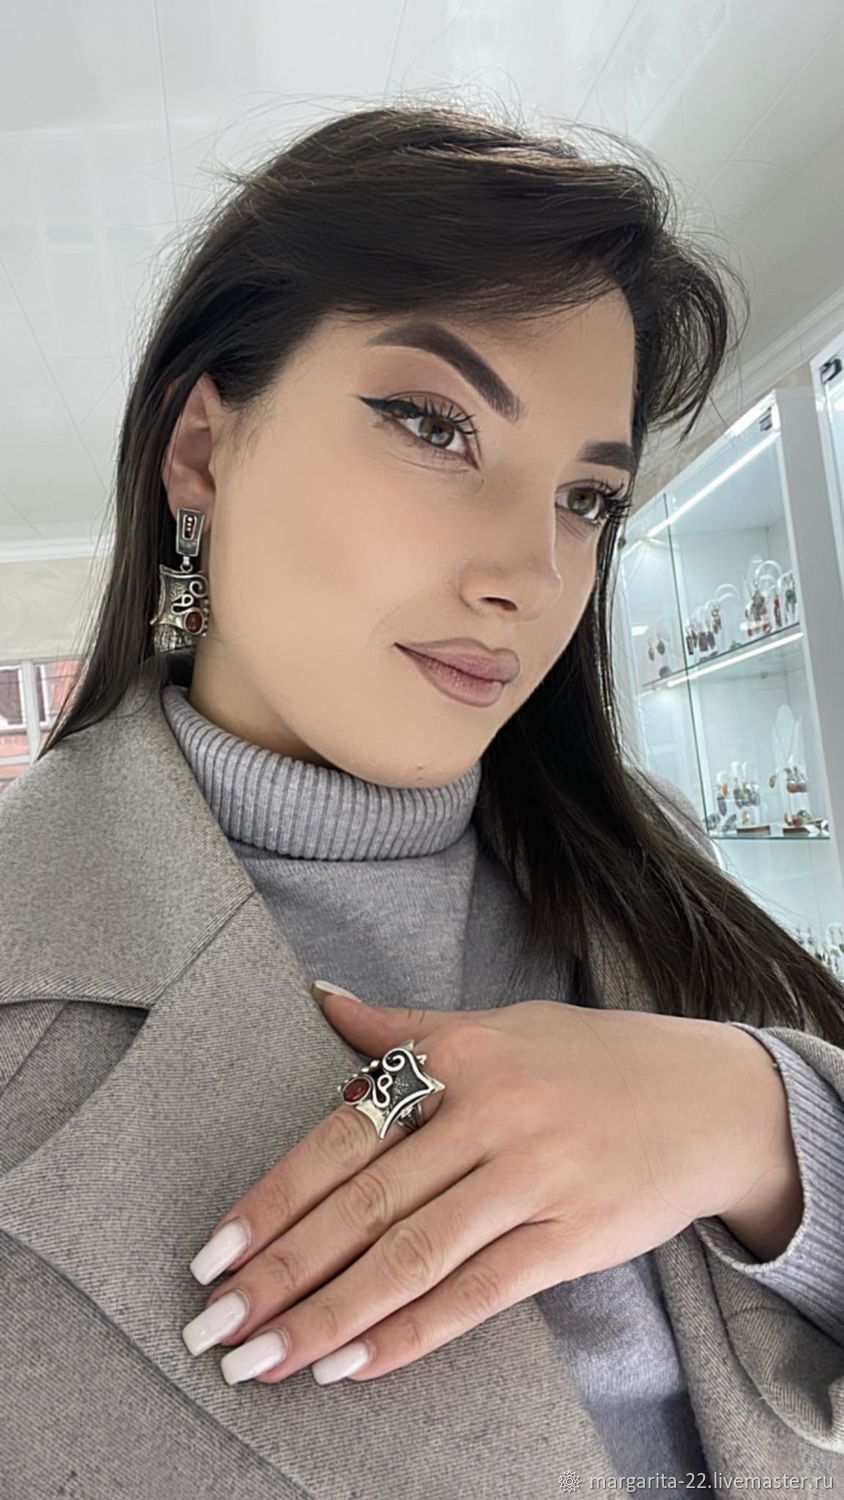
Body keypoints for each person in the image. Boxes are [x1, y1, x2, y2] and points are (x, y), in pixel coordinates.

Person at [1, 103, 843, 1499]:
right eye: (434, 425)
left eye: (588, 498)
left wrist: (759, 1124)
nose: (529, 573)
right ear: (201, 448)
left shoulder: (652, 853)